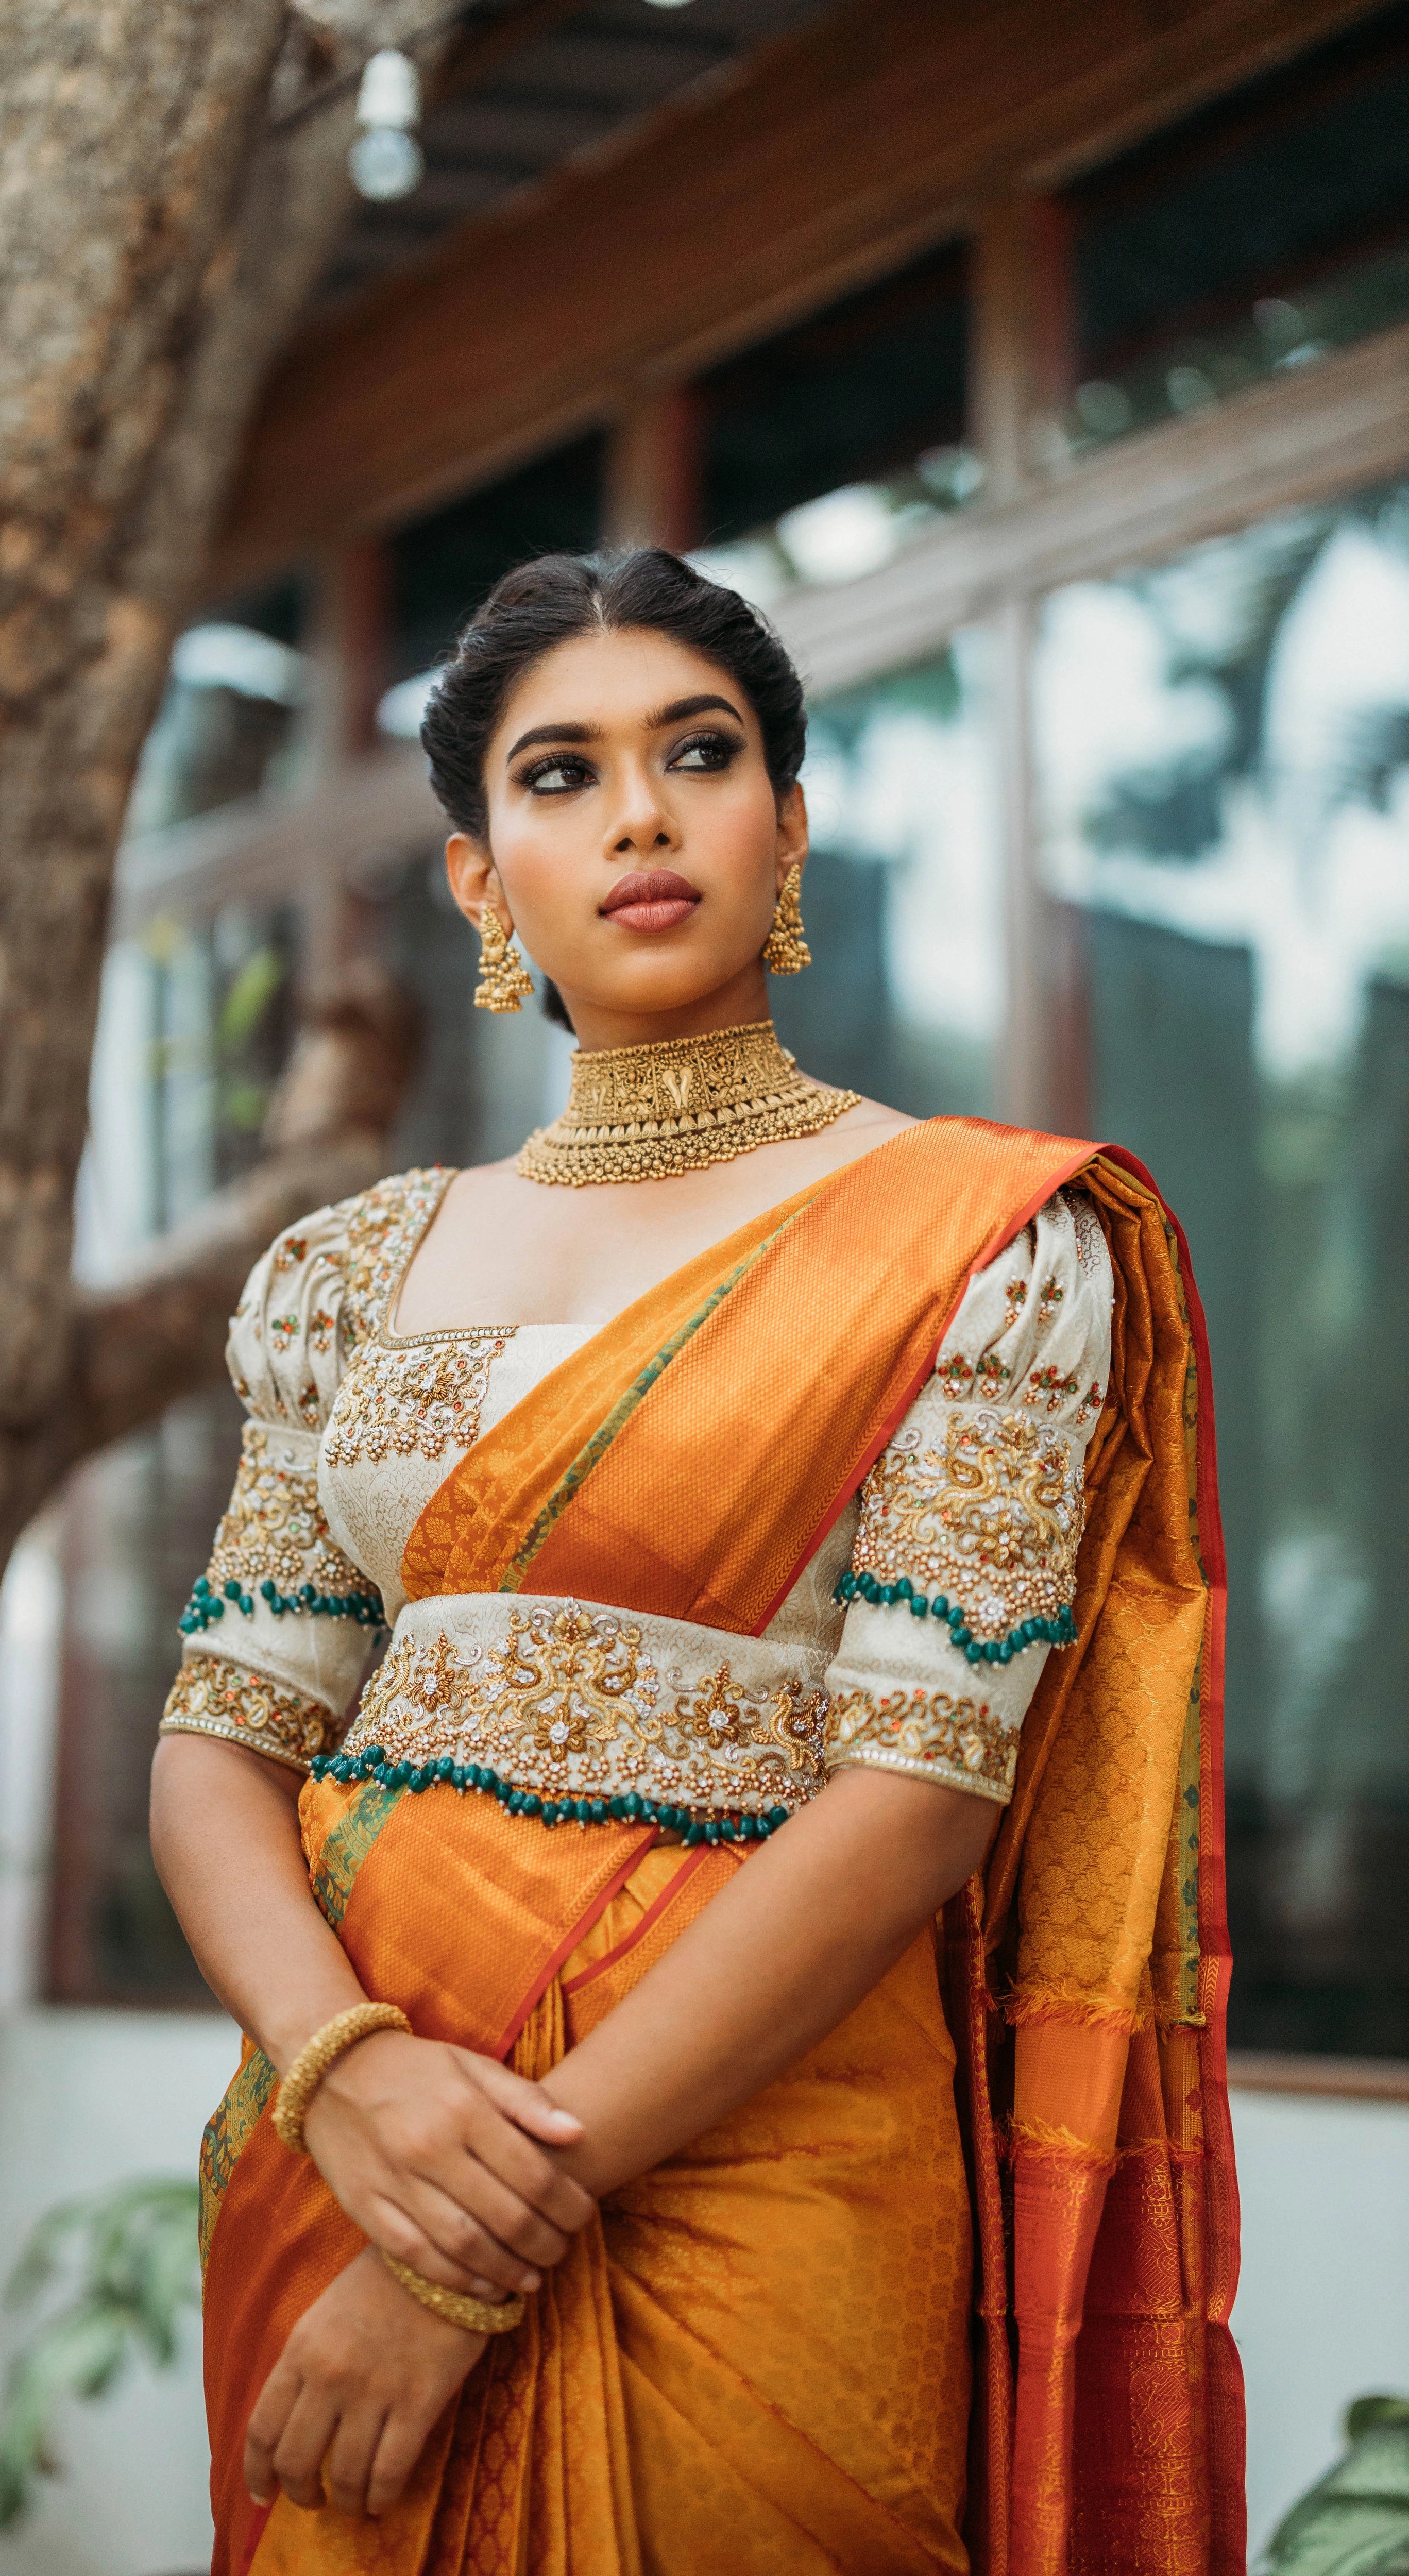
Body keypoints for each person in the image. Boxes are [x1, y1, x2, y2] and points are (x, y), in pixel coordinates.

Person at [149, 549, 1244, 2576]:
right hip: (351, 2137)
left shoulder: (979, 1245)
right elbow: (222, 1741)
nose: (639, 815)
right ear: (480, 878)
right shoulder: (351, 1270)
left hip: (765, 2168)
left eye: (701, 754)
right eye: (561, 775)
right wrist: (345, 2075)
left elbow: (917, 1794)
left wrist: (468, 2249)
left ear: (789, 827)